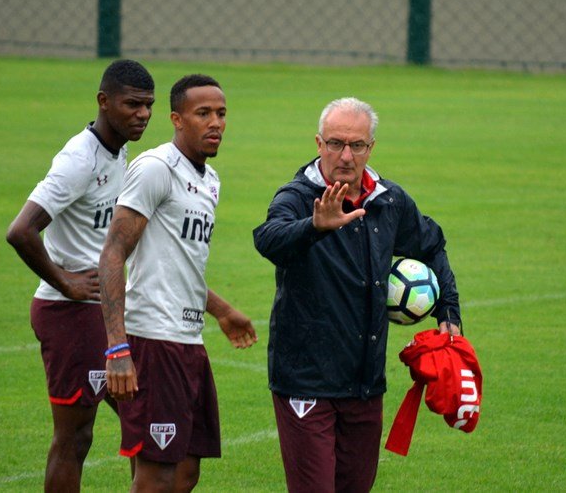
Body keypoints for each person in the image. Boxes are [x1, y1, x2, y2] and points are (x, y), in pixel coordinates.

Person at [253, 97, 463, 493]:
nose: (345, 156)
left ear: (371, 148)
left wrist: (448, 314)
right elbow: (268, 240)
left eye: (357, 145)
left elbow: (432, 245)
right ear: (318, 144)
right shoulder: (297, 197)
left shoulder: (388, 201)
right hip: (306, 382)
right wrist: (314, 227)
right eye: (335, 143)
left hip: (365, 384)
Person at [98, 73, 257, 492]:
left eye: (221, 113)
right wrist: (117, 347)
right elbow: (113, 254)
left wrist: (221, 310)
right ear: (177, 119)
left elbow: (178, 262)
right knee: (155, 477)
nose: (215, 122)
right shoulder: (155, 169)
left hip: (189, 341)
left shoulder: (209, 181)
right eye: (202, 113)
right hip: (153, 340)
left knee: (186, 472)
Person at [6, 59, 155, 492]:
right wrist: (66, 281)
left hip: (102, 311)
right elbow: (20, 231)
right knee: (74, 437)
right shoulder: (78, 160)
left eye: (148, 106)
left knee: (141, 416)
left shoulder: (119, 149)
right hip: (68, 314)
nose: (142, 114)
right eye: (132, 105)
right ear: (103, 102)